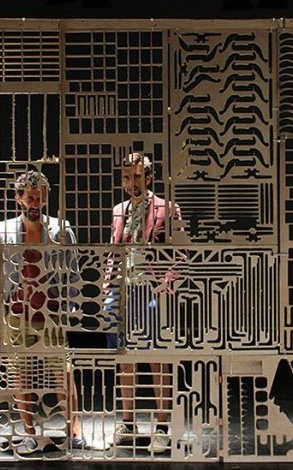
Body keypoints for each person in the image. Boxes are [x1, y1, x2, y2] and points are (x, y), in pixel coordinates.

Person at [0, 170, 83, 452]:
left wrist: (68, 308)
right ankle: (29, 431)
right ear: (19, 198)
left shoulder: (61, 229)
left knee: (63, 374)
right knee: (22, 376)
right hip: (17, 313)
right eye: (30, 198)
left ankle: (75, 431)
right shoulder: (3, 230)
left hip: (51, 313)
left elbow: (73, 273)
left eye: (40, 198)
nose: (36, 204)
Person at [101, 152, 183, 453]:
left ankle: (161, 427)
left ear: (148, 177)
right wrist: (107, 285)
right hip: (121, 290)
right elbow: (114, 248)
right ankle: (128, 423)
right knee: (123, 357)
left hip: (150, 290)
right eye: (126, 177)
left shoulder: (167, 208)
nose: (131, 182)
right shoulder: (118, 209)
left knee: (157, 357)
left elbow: (182, 253)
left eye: (136, 176)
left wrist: (165, 285)